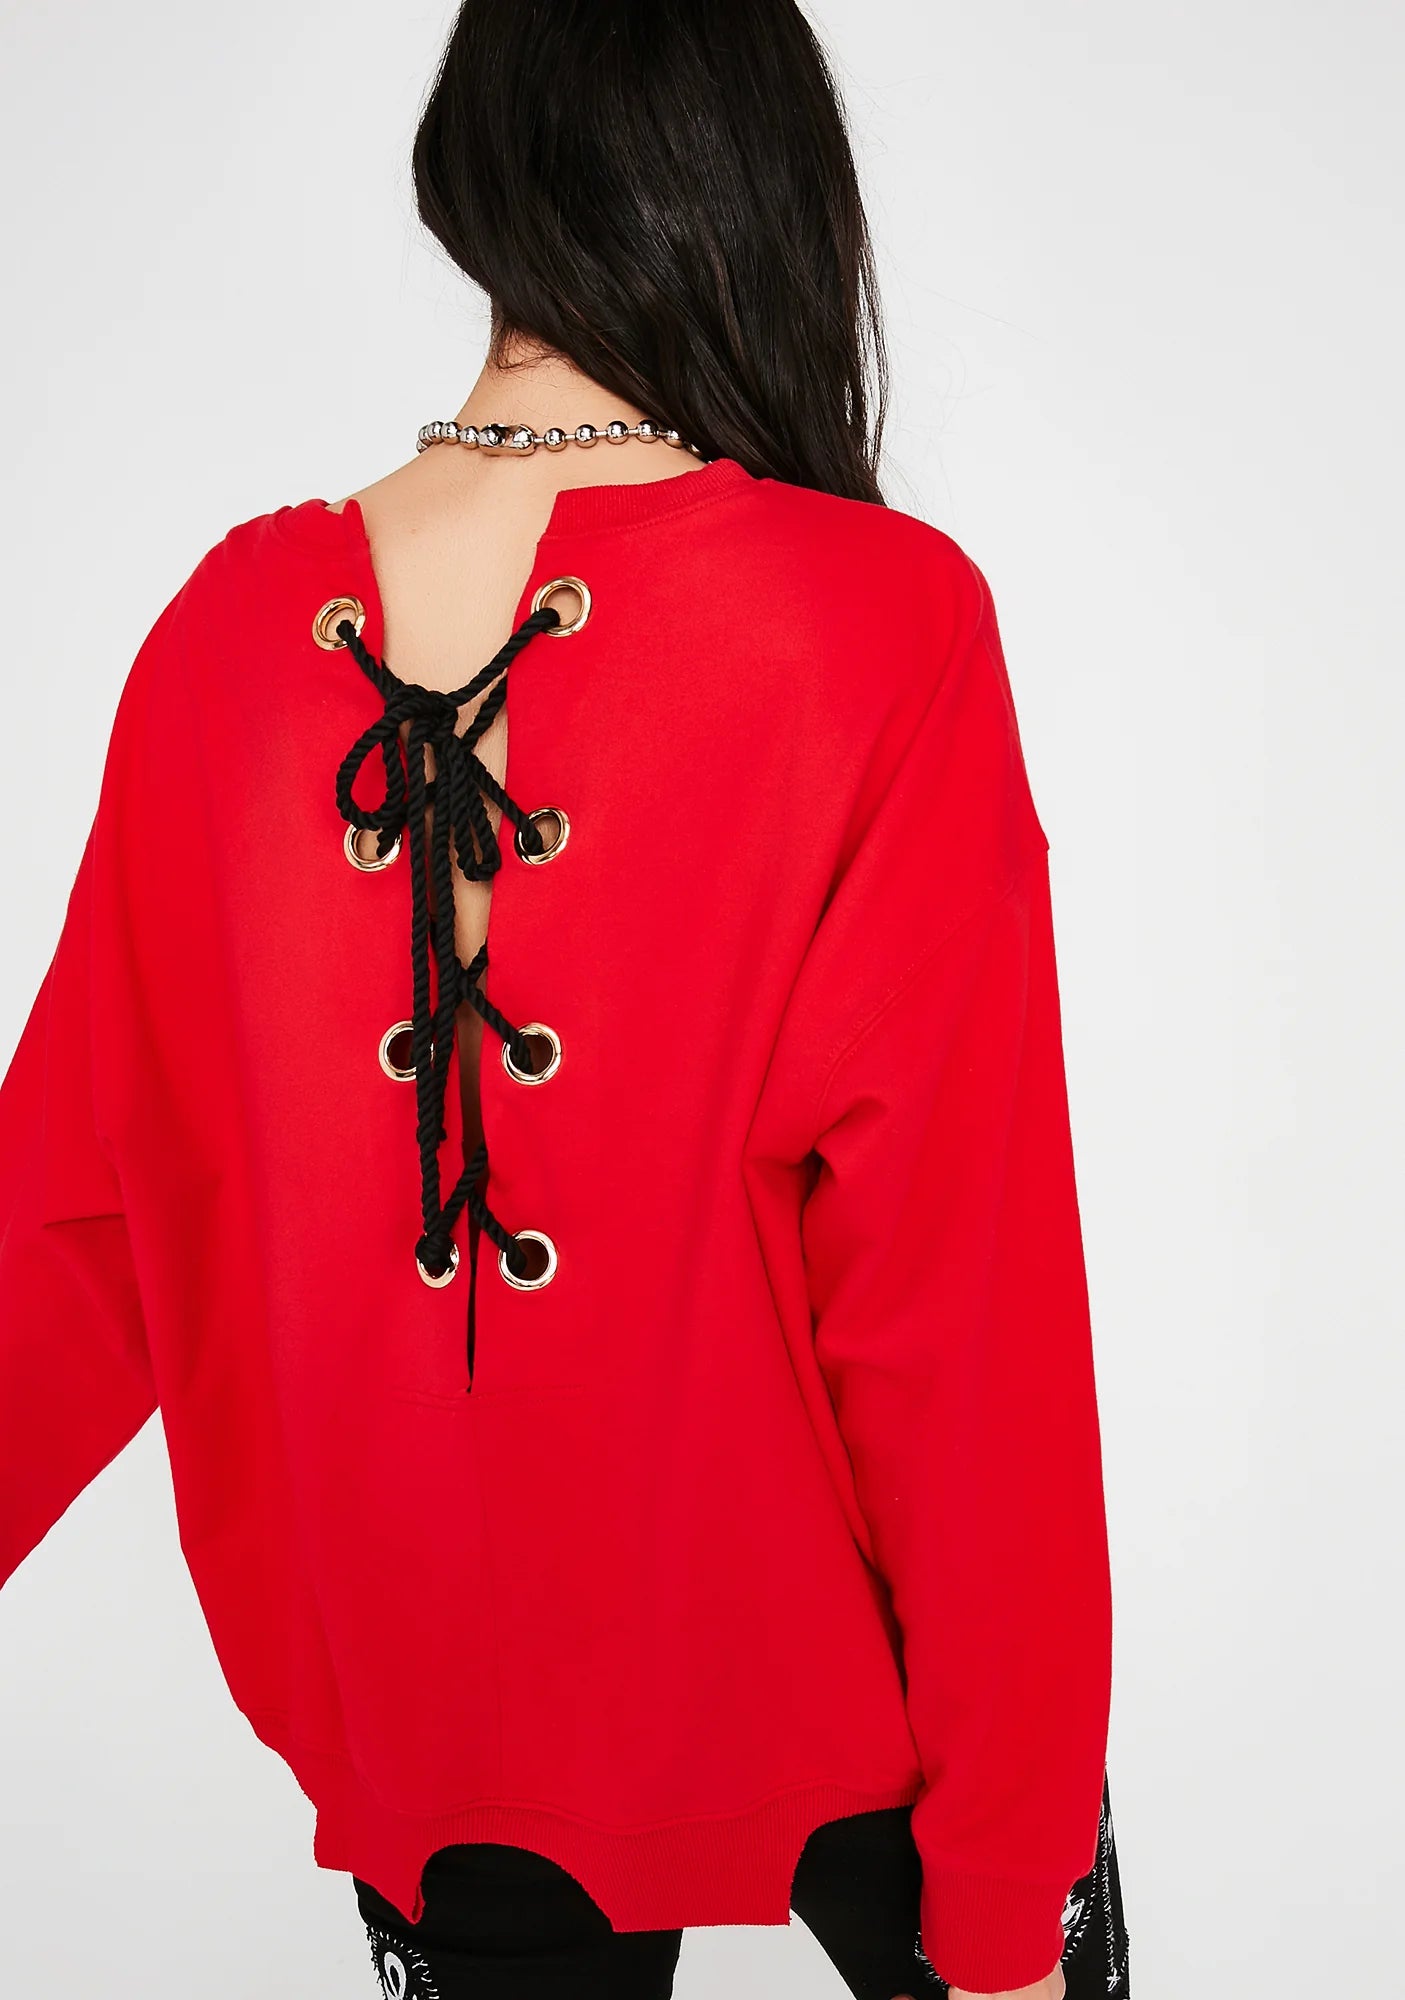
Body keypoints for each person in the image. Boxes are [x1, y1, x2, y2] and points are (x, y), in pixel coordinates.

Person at [0, 4, 1128, 1998]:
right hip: (842, 1691)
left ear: (477, 176)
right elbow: (956, 1301)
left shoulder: (221, 645)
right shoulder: (872, 622)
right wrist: (1009, 1879)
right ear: (765, 190)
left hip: (427, 1717)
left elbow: (66, 1231)